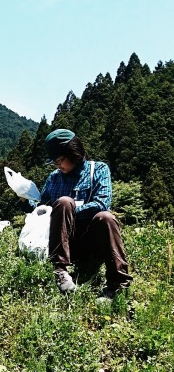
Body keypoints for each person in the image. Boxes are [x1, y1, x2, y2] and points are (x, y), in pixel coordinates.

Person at [40, 128, 132, 298]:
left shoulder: (98, 170)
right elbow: (42, 205)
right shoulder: (54, 177)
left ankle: (118, 285)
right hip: (65, 242)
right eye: (55, 162)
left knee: (105, 217)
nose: (58, 165)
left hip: (92, 241)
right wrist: (25, 200)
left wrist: (70, 211)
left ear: (73, 153)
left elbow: (101, 203)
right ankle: (60, 270)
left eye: (60, 160)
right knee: (64, 202)